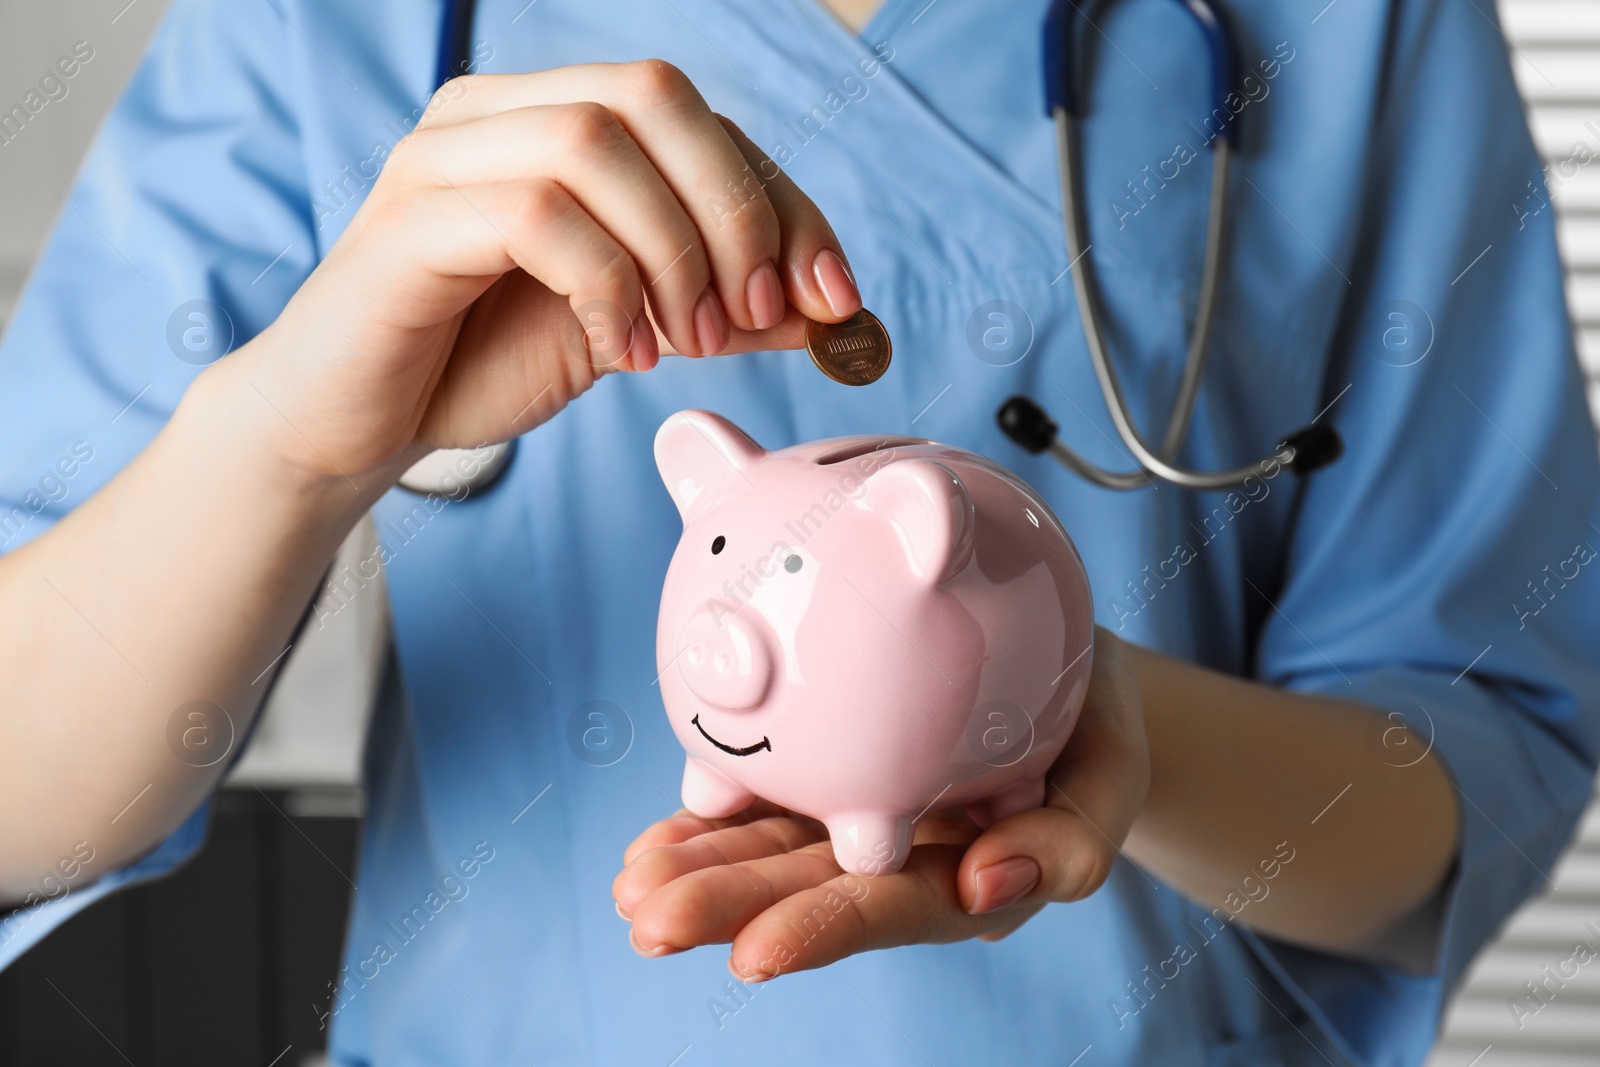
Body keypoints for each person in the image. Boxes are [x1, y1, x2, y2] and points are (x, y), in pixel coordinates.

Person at [1, 0, 1595, 1063]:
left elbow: (1459, 797)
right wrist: (290, 439)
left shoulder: (1352, 27)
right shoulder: (343, 26)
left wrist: (1110, 729)